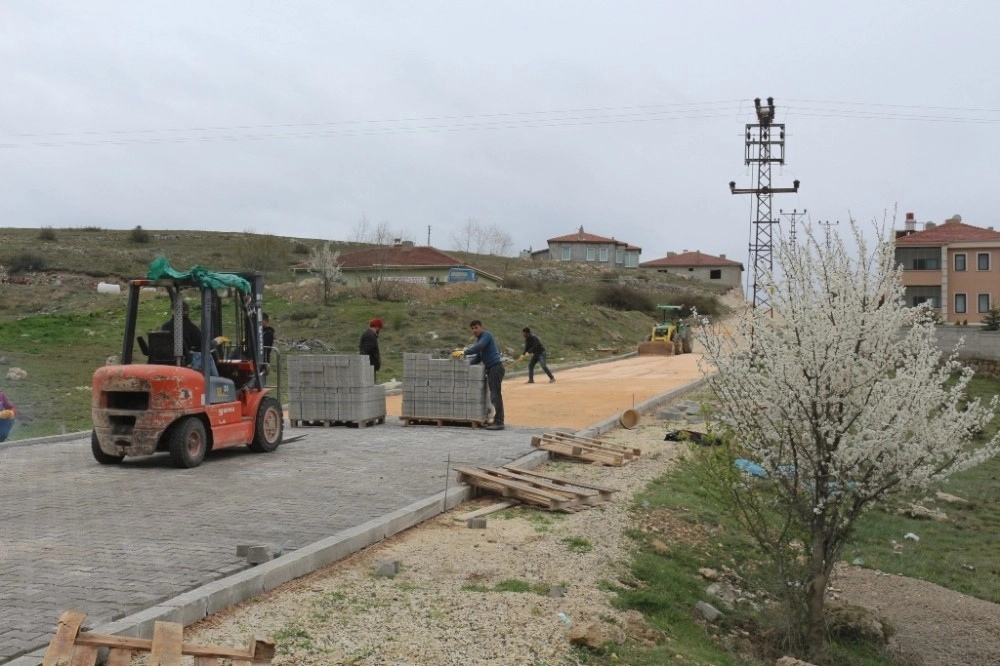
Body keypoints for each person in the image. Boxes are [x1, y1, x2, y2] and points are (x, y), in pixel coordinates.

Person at [455, 319, 505, 430]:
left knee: (496, 395)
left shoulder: (486, 336)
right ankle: (497, 420)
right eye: (472, 328)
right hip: (491, 369)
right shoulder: (480, 340)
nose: (474, 330)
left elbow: (480, 347)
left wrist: (464, 352)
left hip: (496, 368)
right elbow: (478, 358)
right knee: (494, 395)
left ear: (481, 327)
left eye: (476, 327)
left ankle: (499, 422)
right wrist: (466, 365)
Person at [160, 300, 219, 376]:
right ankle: (217, 382)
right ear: (186, 312)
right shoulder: (190, 327)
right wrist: (216, 341)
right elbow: (205, 346)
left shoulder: (165, 327)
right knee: (208, 356)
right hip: (184, 360)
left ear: (173, 311)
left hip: (167, 360)